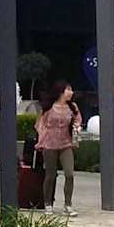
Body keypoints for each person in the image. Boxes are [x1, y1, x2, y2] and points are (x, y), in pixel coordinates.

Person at [36, 82, 82, 213]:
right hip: (50, 144)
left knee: (69, 174)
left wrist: (77, 127)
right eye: (68, 89)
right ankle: (48, 204)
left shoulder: (72, 107)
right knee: (50, 175)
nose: (71, 92)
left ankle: (68, 205)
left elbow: (78, 119)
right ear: (61, 91)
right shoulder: (49, 107)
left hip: (66, 144)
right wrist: (42, 139)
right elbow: (40, 124)